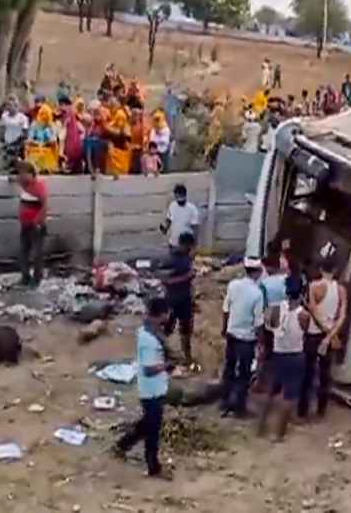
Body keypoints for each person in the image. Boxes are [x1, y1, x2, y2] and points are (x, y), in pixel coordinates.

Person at [114, 297, 174, 480]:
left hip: (153, 388)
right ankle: (153, 467)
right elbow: (149, 369)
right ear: (161, 314)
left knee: (147, 423)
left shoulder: (147, 331)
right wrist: (166, 365)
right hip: (152, 390)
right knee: (152, 431)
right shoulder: (149, 339)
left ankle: (123, 444)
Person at [258, 276, 310, 440]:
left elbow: (270, 326)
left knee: (271, 392)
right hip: (295, 355)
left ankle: (261, 428)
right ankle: (279, 433)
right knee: (289, 396)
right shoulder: (304, 315)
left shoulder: (276, 309)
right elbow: (305, 333)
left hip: (278, 354)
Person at [300, 255, 348, 419]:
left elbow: (313, 310)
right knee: (325, 375)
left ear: (321, 269)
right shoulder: (340, 290)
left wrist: (325, 332)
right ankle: (321, 410)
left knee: (307, 372)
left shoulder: (314, 286)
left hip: (313, 334)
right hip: (329, 336)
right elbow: (342, 316)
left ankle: (303, 410)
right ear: (335, 270)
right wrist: (330, 336)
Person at [220, 257, 265, 417]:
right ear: (258, 272)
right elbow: (258, 321)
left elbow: (226, 309)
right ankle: (239, 408)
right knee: (244, 373)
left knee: (229, 369)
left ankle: (224, 402)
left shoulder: (233, 285)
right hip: (246, 338)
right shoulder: (257, 294)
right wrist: (262, 342)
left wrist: (224, 328)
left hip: (231, 334)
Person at [161, 231, 196, 364]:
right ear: (183, 244)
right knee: (167, 328)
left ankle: (187, 357)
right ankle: (162, 355)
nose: (190, 249)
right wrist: (185, 277)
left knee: (186, 329)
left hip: (185, 299)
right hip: (172, 299)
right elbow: (165, 280)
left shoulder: (187, 258)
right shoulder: (170, 259)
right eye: (188, 246)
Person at [255, 254, 289, 393]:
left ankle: (261, 383)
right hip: (285, 315)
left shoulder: (264, 283)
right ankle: (280, 383)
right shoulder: (286, 280)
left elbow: (261, 304)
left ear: (267, 267)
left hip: (269, 316)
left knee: (264, 350)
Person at [13, 160, 48, 287]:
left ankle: (37, 278)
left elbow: (45, 206)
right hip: (25, 225)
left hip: (36, 226)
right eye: (19, 173)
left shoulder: (39, 186)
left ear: (31, 174)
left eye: (23, 173)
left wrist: (38, 222)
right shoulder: (24, 185)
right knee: (24, 252)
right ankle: (25, 277)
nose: (20, 176)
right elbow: (14, 179)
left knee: (36, 254)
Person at [161, 184, 203, 252]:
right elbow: (169, 219)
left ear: (185, 195)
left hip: (186, 246)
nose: (179, 199)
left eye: (181, 197)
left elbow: (196, 229)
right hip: (173, 244)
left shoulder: (192, 209)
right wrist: (165, 228)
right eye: (177, 197)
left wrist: (194, 247)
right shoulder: (172, 205)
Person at [26, 103, 60, 174]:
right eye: (42, 114)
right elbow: (29, 139)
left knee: (53, 147)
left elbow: (53, 140)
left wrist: (46, 142)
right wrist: (37, 143)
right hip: (35, 148)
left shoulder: (52, 126)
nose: (43, 117)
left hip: (47, 149)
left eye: (45, 114)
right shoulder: (34, 125)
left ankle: (50, 167)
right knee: (28, 147)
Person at [104, 97, 132, 177]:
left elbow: (120, 132)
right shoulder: (112, 114)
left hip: (120, 143)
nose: (110, 107)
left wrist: (108, 128)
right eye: (110, 105)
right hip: (114, 143)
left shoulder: (120, 114)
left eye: (112, 105)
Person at [1, 95, 29, 171]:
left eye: (11, 105)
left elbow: (25, 132)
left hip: (18, 143)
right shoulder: (4, 116)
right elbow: (3, 128)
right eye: (7, 105)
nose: (9, 107)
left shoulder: (22, 117)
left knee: (17, 160)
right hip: (7, 142)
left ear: (16, 106)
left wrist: (19, 141)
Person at [62, 98, 85, 173]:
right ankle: (73, 166)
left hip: (74, 135)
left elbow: (82, 130)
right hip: (72, 134)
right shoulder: (71, 113)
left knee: (73, 149)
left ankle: (75, 166)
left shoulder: (70, 112)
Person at [84, 100, 106, 177]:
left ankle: (96, 169)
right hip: (91, 140)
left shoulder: (101, 119)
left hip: (98, 141)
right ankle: (91, 170)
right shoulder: (90, 119)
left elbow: (103, 124)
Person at [129, 106, 146, 174]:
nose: (134, 117)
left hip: (139, 151)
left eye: (136, 115)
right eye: (133, 115)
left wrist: (140, 146)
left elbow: (144, 139)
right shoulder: (130, 125)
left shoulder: (142, 126)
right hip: (130, 151)